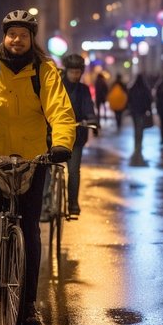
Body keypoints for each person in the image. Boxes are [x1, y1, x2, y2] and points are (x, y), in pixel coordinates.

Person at [0, 9, 75, 325]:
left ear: (31, 38)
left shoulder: (45, 70)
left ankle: (30, 302)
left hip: (32, 160)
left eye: (23, 34)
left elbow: (60, 111)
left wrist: (61, 144)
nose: (17, 39)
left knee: (31, 230)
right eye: (12, 34)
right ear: (4, 37)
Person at [58, 53, 96, 216]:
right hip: (55, 135)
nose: (75, 75)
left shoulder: (83, 90)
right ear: (66, 71)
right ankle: (45, 203)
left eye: (78, 72)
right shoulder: (57, 86)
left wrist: (92, 119)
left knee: (74, 171)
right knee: (45, 169)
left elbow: (89, 108)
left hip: (77, 136)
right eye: (72, 71)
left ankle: (73, 203)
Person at [127, 72, 153, 160]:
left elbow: (129, 100)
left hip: (135, 112)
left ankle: (136, 144)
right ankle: (139, 144)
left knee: (136, 128)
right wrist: (148, 110)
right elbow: (149, 100)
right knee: (140, 128)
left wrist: (130, 109)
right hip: (142, 111)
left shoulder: (133, 88)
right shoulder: (145, 89)